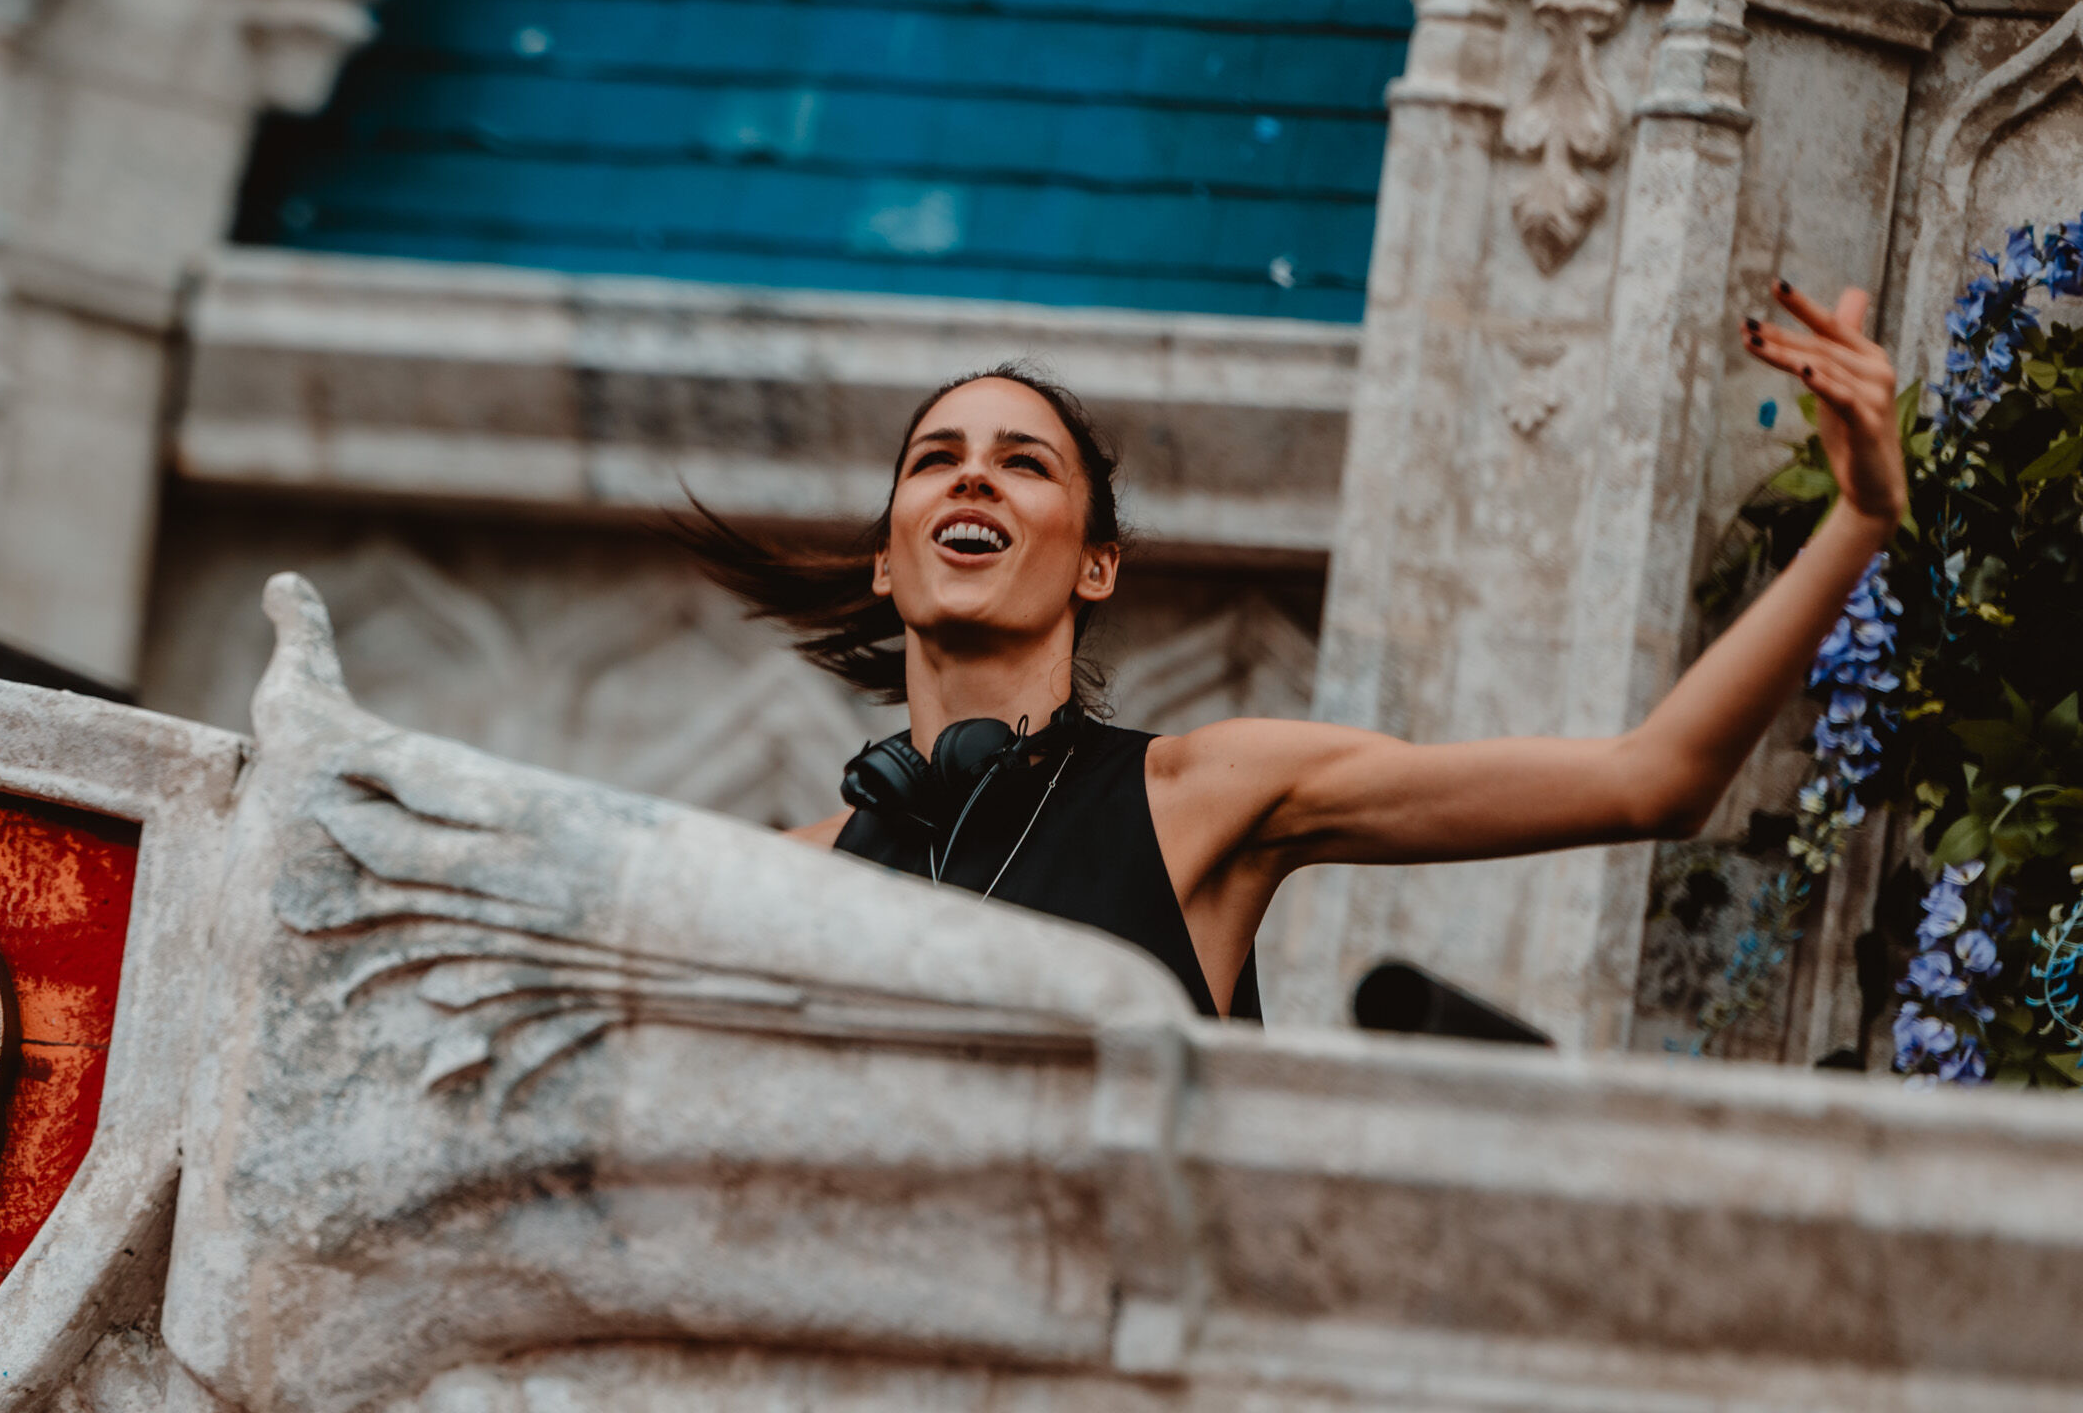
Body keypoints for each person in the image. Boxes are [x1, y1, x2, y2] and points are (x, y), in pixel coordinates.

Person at [682, 281, 1907, 1022]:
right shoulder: (783, 877)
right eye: (936, 458)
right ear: (886, 558)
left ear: (1097, 564)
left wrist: (1859, 517)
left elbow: (1654, 779)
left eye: (1023, 461)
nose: (972, 476)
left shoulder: (1203, 795)